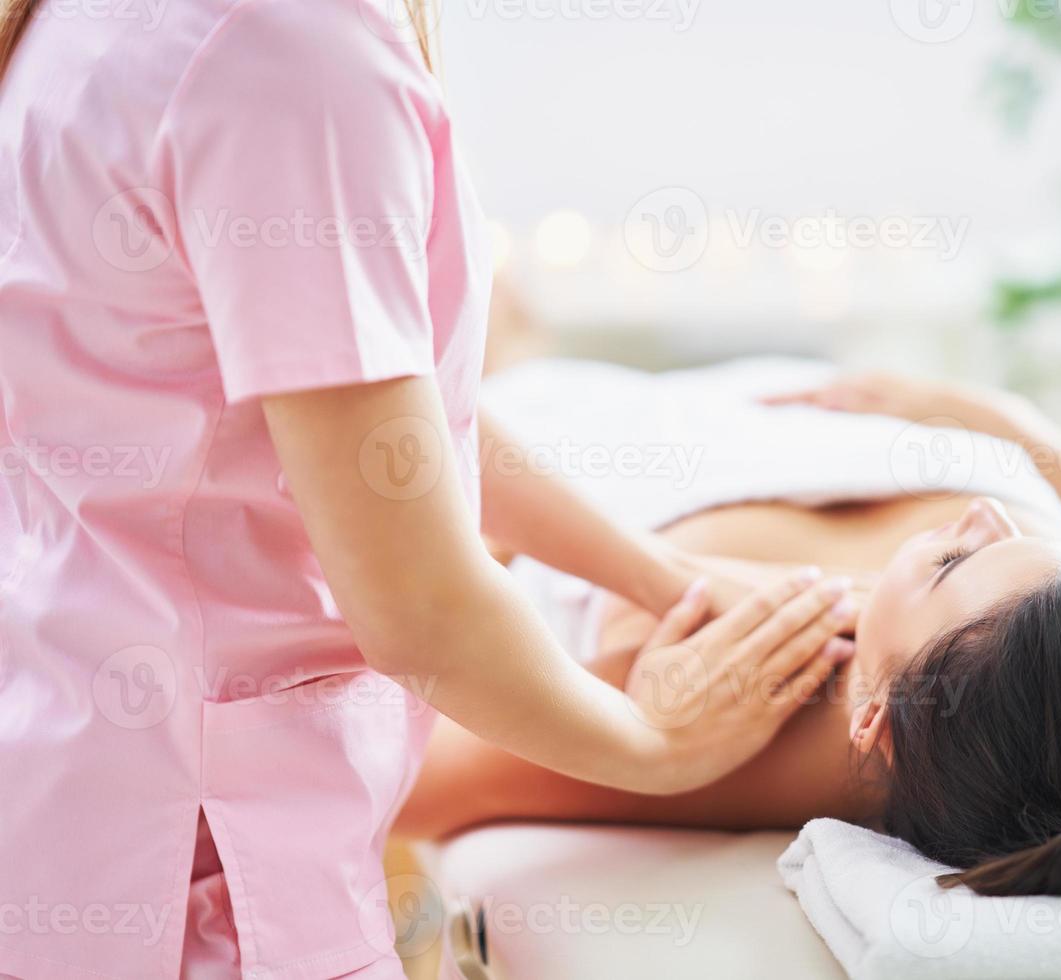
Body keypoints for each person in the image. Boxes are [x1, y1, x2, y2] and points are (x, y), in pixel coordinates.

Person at [0, 2, 852, 976]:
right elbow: (418, 607)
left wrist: (667, 579)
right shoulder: (291, 48)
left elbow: (382, 423)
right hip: (193, 868)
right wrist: (656, 744)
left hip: (67, 786)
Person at [399, 369, 1061, 898]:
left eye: (953, 566)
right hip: (758, 394)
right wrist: (991, 418)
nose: (988, 514)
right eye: (1050, 547)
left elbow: (406, 781)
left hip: (528, 441)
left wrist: (649, 742)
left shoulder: (765, 697)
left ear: (874, 718)